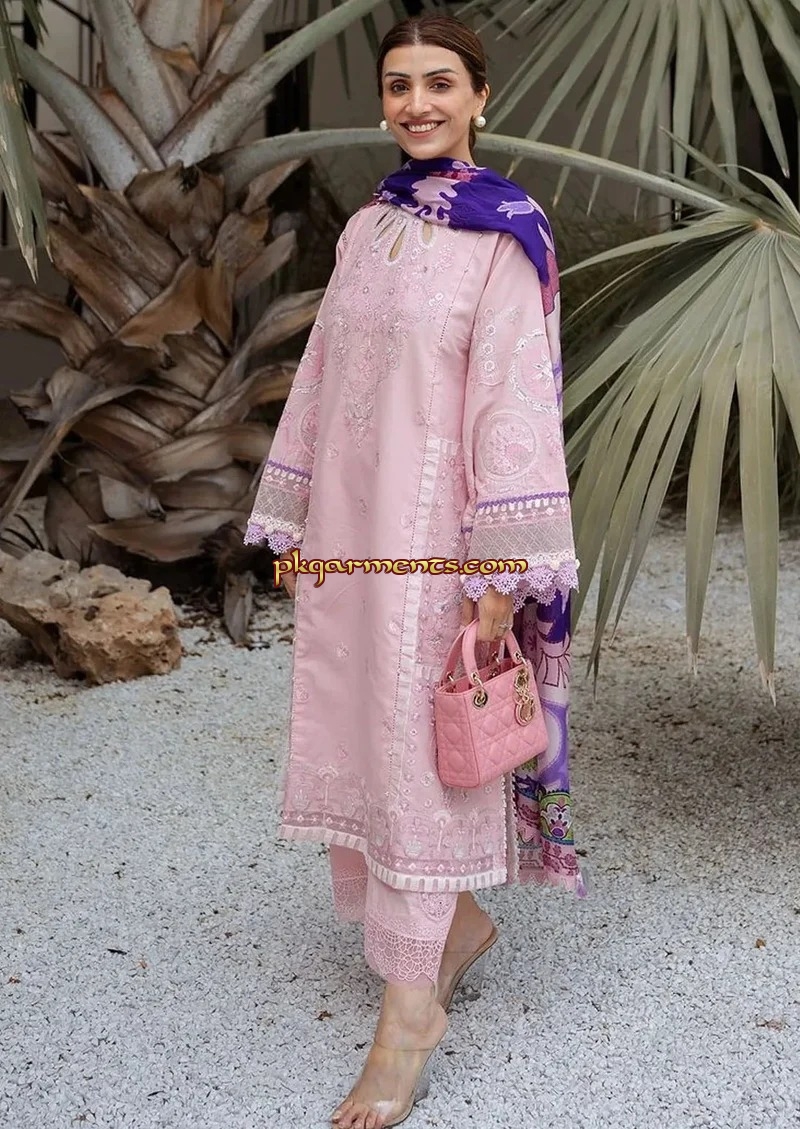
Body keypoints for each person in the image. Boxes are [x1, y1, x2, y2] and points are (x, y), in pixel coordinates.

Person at [244, 14, 585, 1128]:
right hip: (355, 542)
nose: (416, 103)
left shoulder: (505, 234)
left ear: (480, 97)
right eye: (398, 85)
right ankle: (457, 929)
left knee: (416, 761)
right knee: (360, 739)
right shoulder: (368, 226)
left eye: (440, 83)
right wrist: (295, 513)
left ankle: (406, 1021)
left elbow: (513, 406)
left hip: (440, 545)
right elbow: (323, 372)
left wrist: (497, 576)